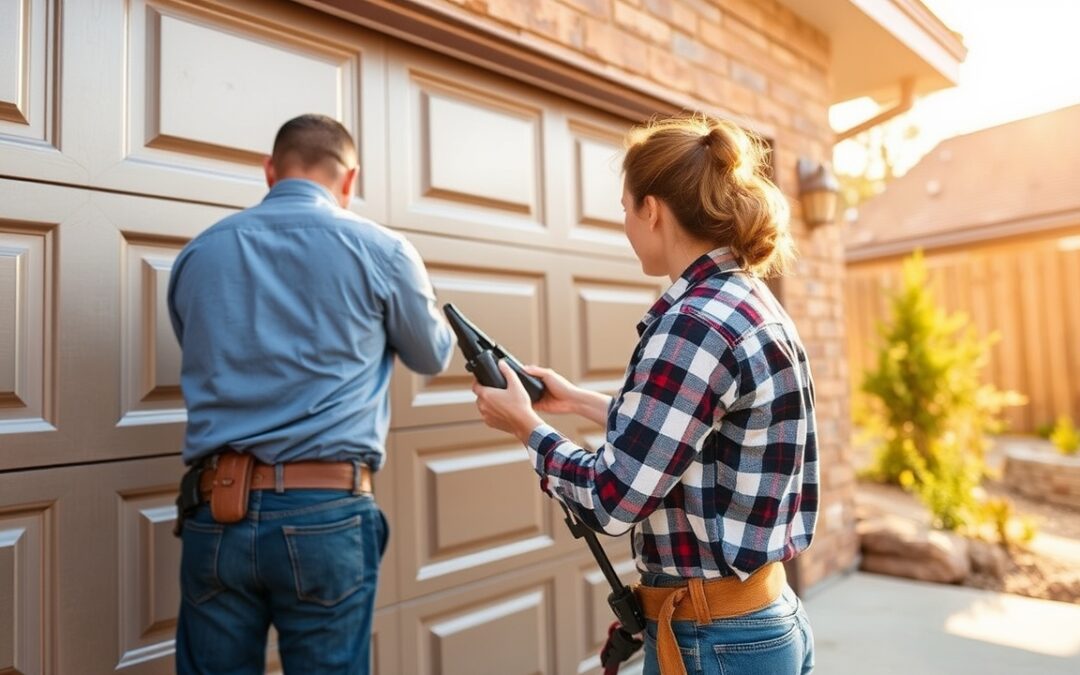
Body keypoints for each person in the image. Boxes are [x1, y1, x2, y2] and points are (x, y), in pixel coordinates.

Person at [472, 113, 817, 675]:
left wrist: (526, 428)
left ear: (651, 209)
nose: (625, 225)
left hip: (714, 641)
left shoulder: (695, 323)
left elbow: (614, 499)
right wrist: (581, 402)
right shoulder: (748, 302)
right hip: (762, 621)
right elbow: (700, 440)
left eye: (625, 209)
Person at [168, 113, 454, 674]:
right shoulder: (384, 251)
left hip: (215, 509)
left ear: (270, 172)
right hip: (324, 514)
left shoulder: (200, 253)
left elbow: (195, 346)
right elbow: (432, 354)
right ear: (350, 180)